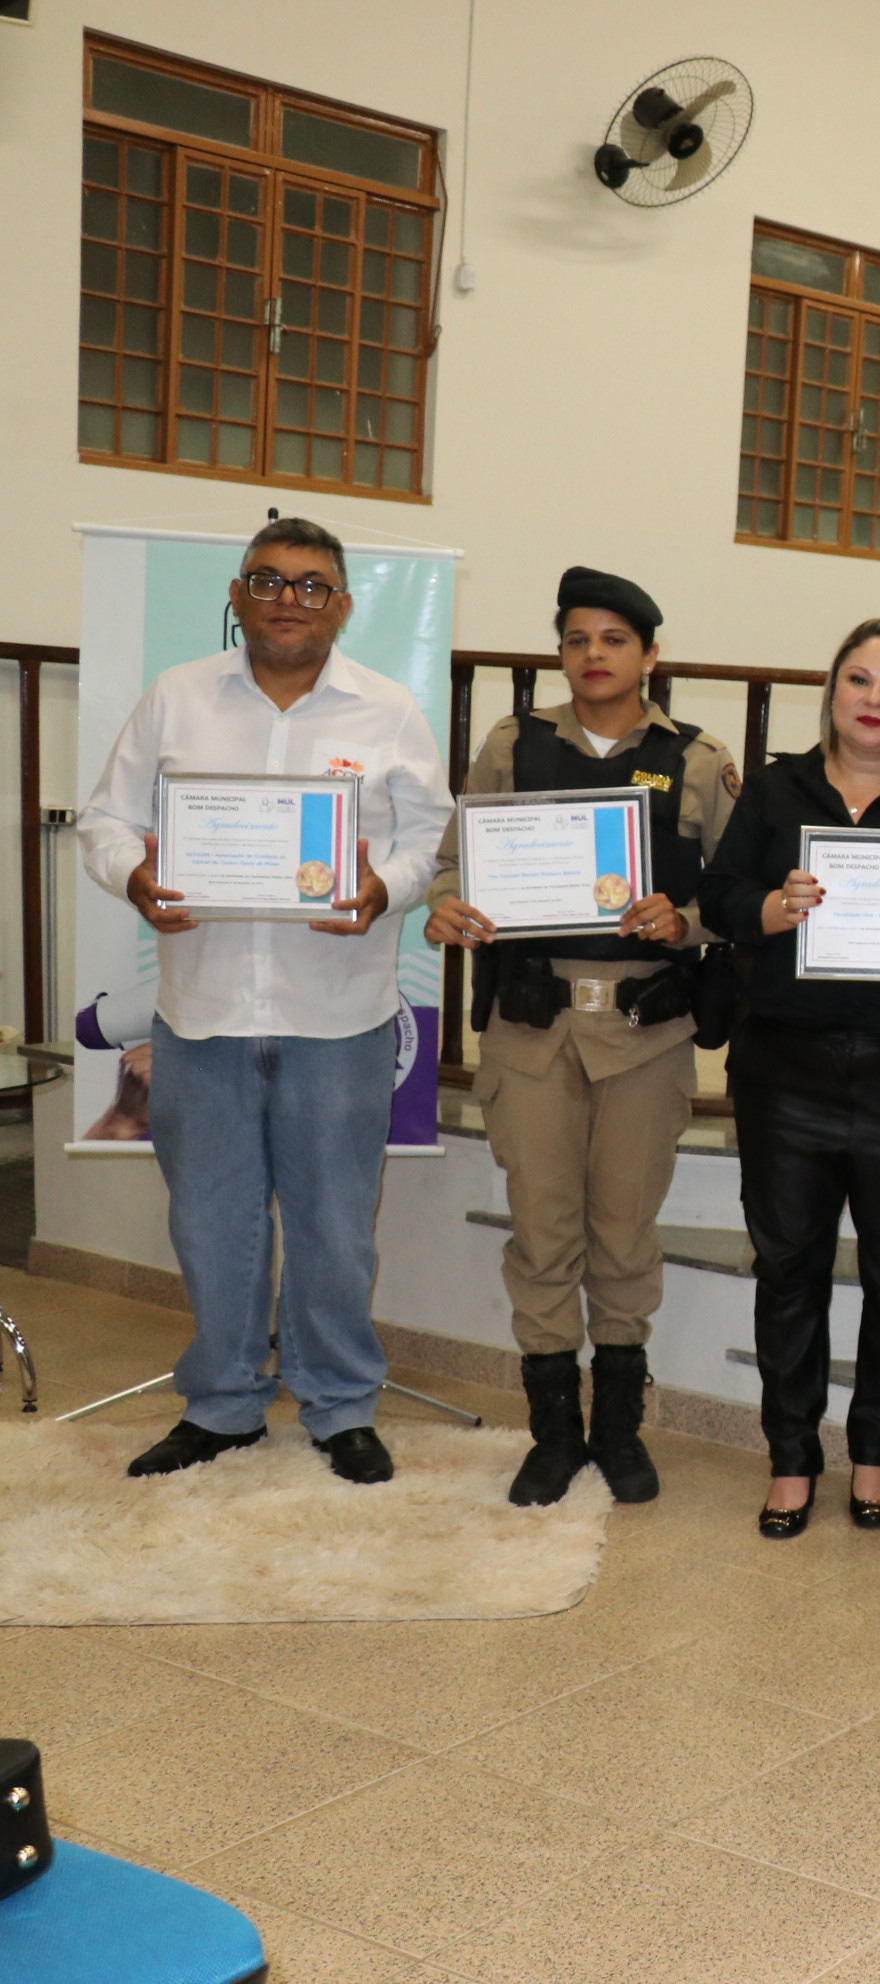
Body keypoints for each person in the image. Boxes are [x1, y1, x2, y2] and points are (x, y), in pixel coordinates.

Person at [78, 517, 453, 1484]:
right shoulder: (176, 699)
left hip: (341, 1016)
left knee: (334, 1224)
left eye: (313, 584)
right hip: (201, 1014)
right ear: (240, 595)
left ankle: (338, 1405)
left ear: (344, 603)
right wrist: (133, 878)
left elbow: (427, 835)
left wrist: (385, 891)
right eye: (270, 580)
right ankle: (224, 1404)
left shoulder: (387, 710)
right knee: (211, 1221)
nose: (290, 598)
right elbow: (106, 820)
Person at [424, 568, 736, 1508]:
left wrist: (685, 920)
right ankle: (554, 1428)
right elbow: (452, 863)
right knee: (543, 1231)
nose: (593, 656)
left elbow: (736, 895)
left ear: (649, 654)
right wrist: (449, 910)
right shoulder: (514, 746)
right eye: (576, 640)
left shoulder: (697, 760)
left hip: (644, 1033)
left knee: (624, 1233)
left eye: (613, 639)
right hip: (533, 1028)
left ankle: (620, 1428)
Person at [698, 619, 880, 1538]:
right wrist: (770, 910)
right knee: (789, 1269)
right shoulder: (780, 787)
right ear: (831, 693)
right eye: (858, 680)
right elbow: (718, 897)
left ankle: (874, 1457)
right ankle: (791, 1460)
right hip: (788, 1068)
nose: (874, 699)